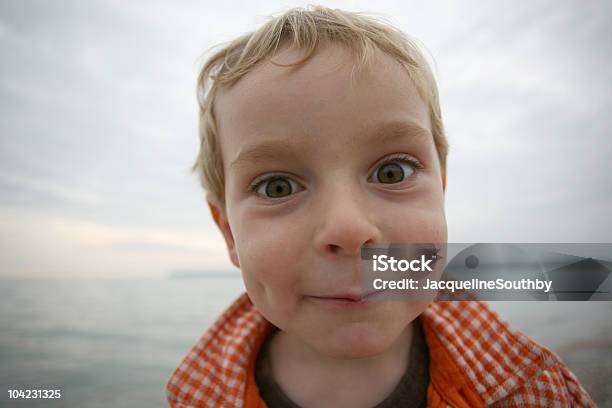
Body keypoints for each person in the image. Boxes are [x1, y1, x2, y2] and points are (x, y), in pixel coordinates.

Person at [166, 6, 594, 407]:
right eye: (277, 187)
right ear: (228, 233)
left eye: (393, 172)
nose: (348, 228)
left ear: (440, 193)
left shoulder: (532, 388)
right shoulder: (197, 395)